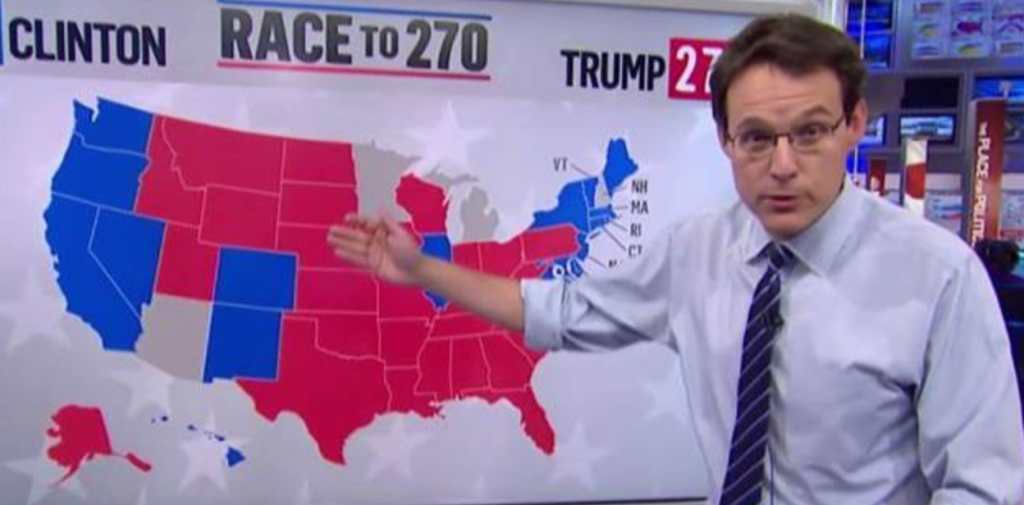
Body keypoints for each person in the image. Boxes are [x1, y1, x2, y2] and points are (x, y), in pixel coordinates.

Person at [328, 13, 1024, 505]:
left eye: (810, 132)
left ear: (855, 125)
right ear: (725, 140)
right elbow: (561, 311)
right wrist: (421, 271)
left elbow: (983, 485)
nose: (783, 164)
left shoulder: (938, 276)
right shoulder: (698, 253)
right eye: (757, 137)